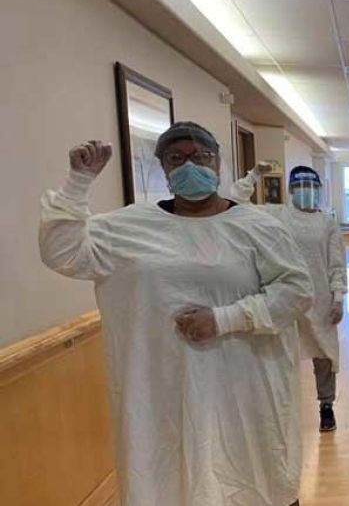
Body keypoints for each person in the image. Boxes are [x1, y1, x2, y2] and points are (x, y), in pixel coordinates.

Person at [39, 122, 312, 506]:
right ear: (162, 168)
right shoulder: (129, 226)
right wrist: (77, 184)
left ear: (218, 163)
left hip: (243, 390)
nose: (190, 165)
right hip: (159, 392)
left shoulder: (257, 227)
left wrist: (224, 319)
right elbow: (62, 253)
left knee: (252, 482)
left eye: (201, 156)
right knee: (170, 483)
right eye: (176, 158)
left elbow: (296, 290)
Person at [231, 162, 348, 433]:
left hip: (319, 298)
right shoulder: (276, 215)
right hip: (283, 297)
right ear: (290, 191)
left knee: (324, 353)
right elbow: (235, 200)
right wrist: (254, 174)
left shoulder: (327, 222)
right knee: (282, 352)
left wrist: (338, 297)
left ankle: (326, 405)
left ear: (319, 190)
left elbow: (336, 262)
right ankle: (281, 408)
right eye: (300, 187)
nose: (306, 192)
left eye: (311, 187)